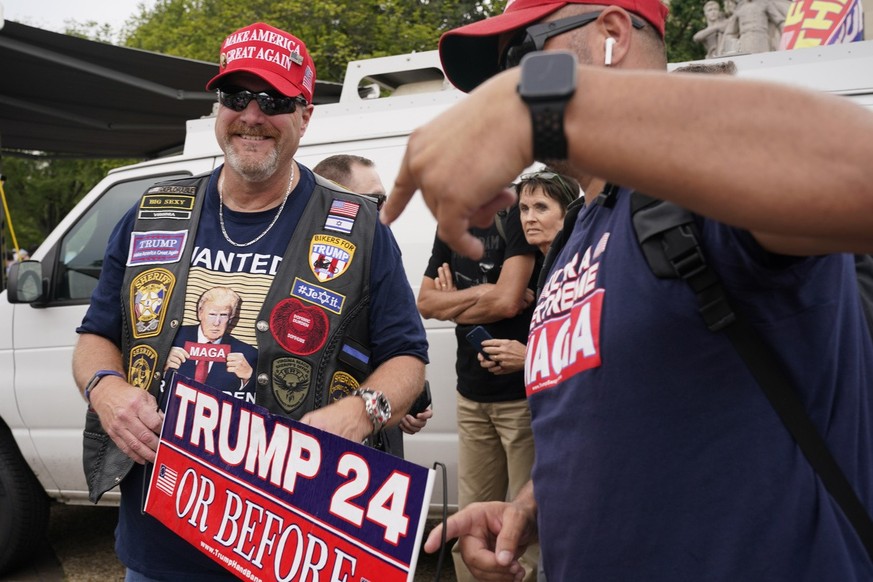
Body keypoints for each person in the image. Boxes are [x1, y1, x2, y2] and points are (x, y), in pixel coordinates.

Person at [381, 0, 873, 580]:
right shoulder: (578, 232)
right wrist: (535, 507)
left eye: (519, 59)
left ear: (612, 34)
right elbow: (606, 414)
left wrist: (545, 107)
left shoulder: (698, 181)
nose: (501, 89)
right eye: (498, 79)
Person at [72, 22, 428, 581]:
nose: (253, 115)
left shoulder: (357, 227)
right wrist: (107, 390)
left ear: (306, 114)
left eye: (275, 99)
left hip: (297, 537)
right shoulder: (152, 213)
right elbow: (96, 335)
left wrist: (361, 413)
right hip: (162, 539)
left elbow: (407, 356)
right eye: (236, 97)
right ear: (219, 109)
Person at [417, 181, 541, 581]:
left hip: (519, 394)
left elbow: (508, 302)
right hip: (470, 392)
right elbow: (425, 302)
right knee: (469, 523)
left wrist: (455, 304)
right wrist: (488, 292)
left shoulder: (518, 218)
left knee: (528, 525)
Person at [313, 153, 435, 456]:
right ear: (335, 198)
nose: (384, 212)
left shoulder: (378, 246)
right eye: (374, 201)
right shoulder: (305, 251)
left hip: (367, 444)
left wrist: (399, 400)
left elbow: (401, 346)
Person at [478, 169, 580, 376]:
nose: (529, 218)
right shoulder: (544, 265)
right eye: (524, 209)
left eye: (541, 208)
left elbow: (593, 347)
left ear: (567, 213)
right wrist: (505, 354)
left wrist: (529, 356)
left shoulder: (578, 267)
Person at [164, 286, 256, 396]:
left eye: (223, 315)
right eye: (212, 314)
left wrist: (249, 377)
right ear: (200, 313)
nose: (217, 322)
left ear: (231, 318)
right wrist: (161, 363)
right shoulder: (171, 338)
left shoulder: (247, 353)